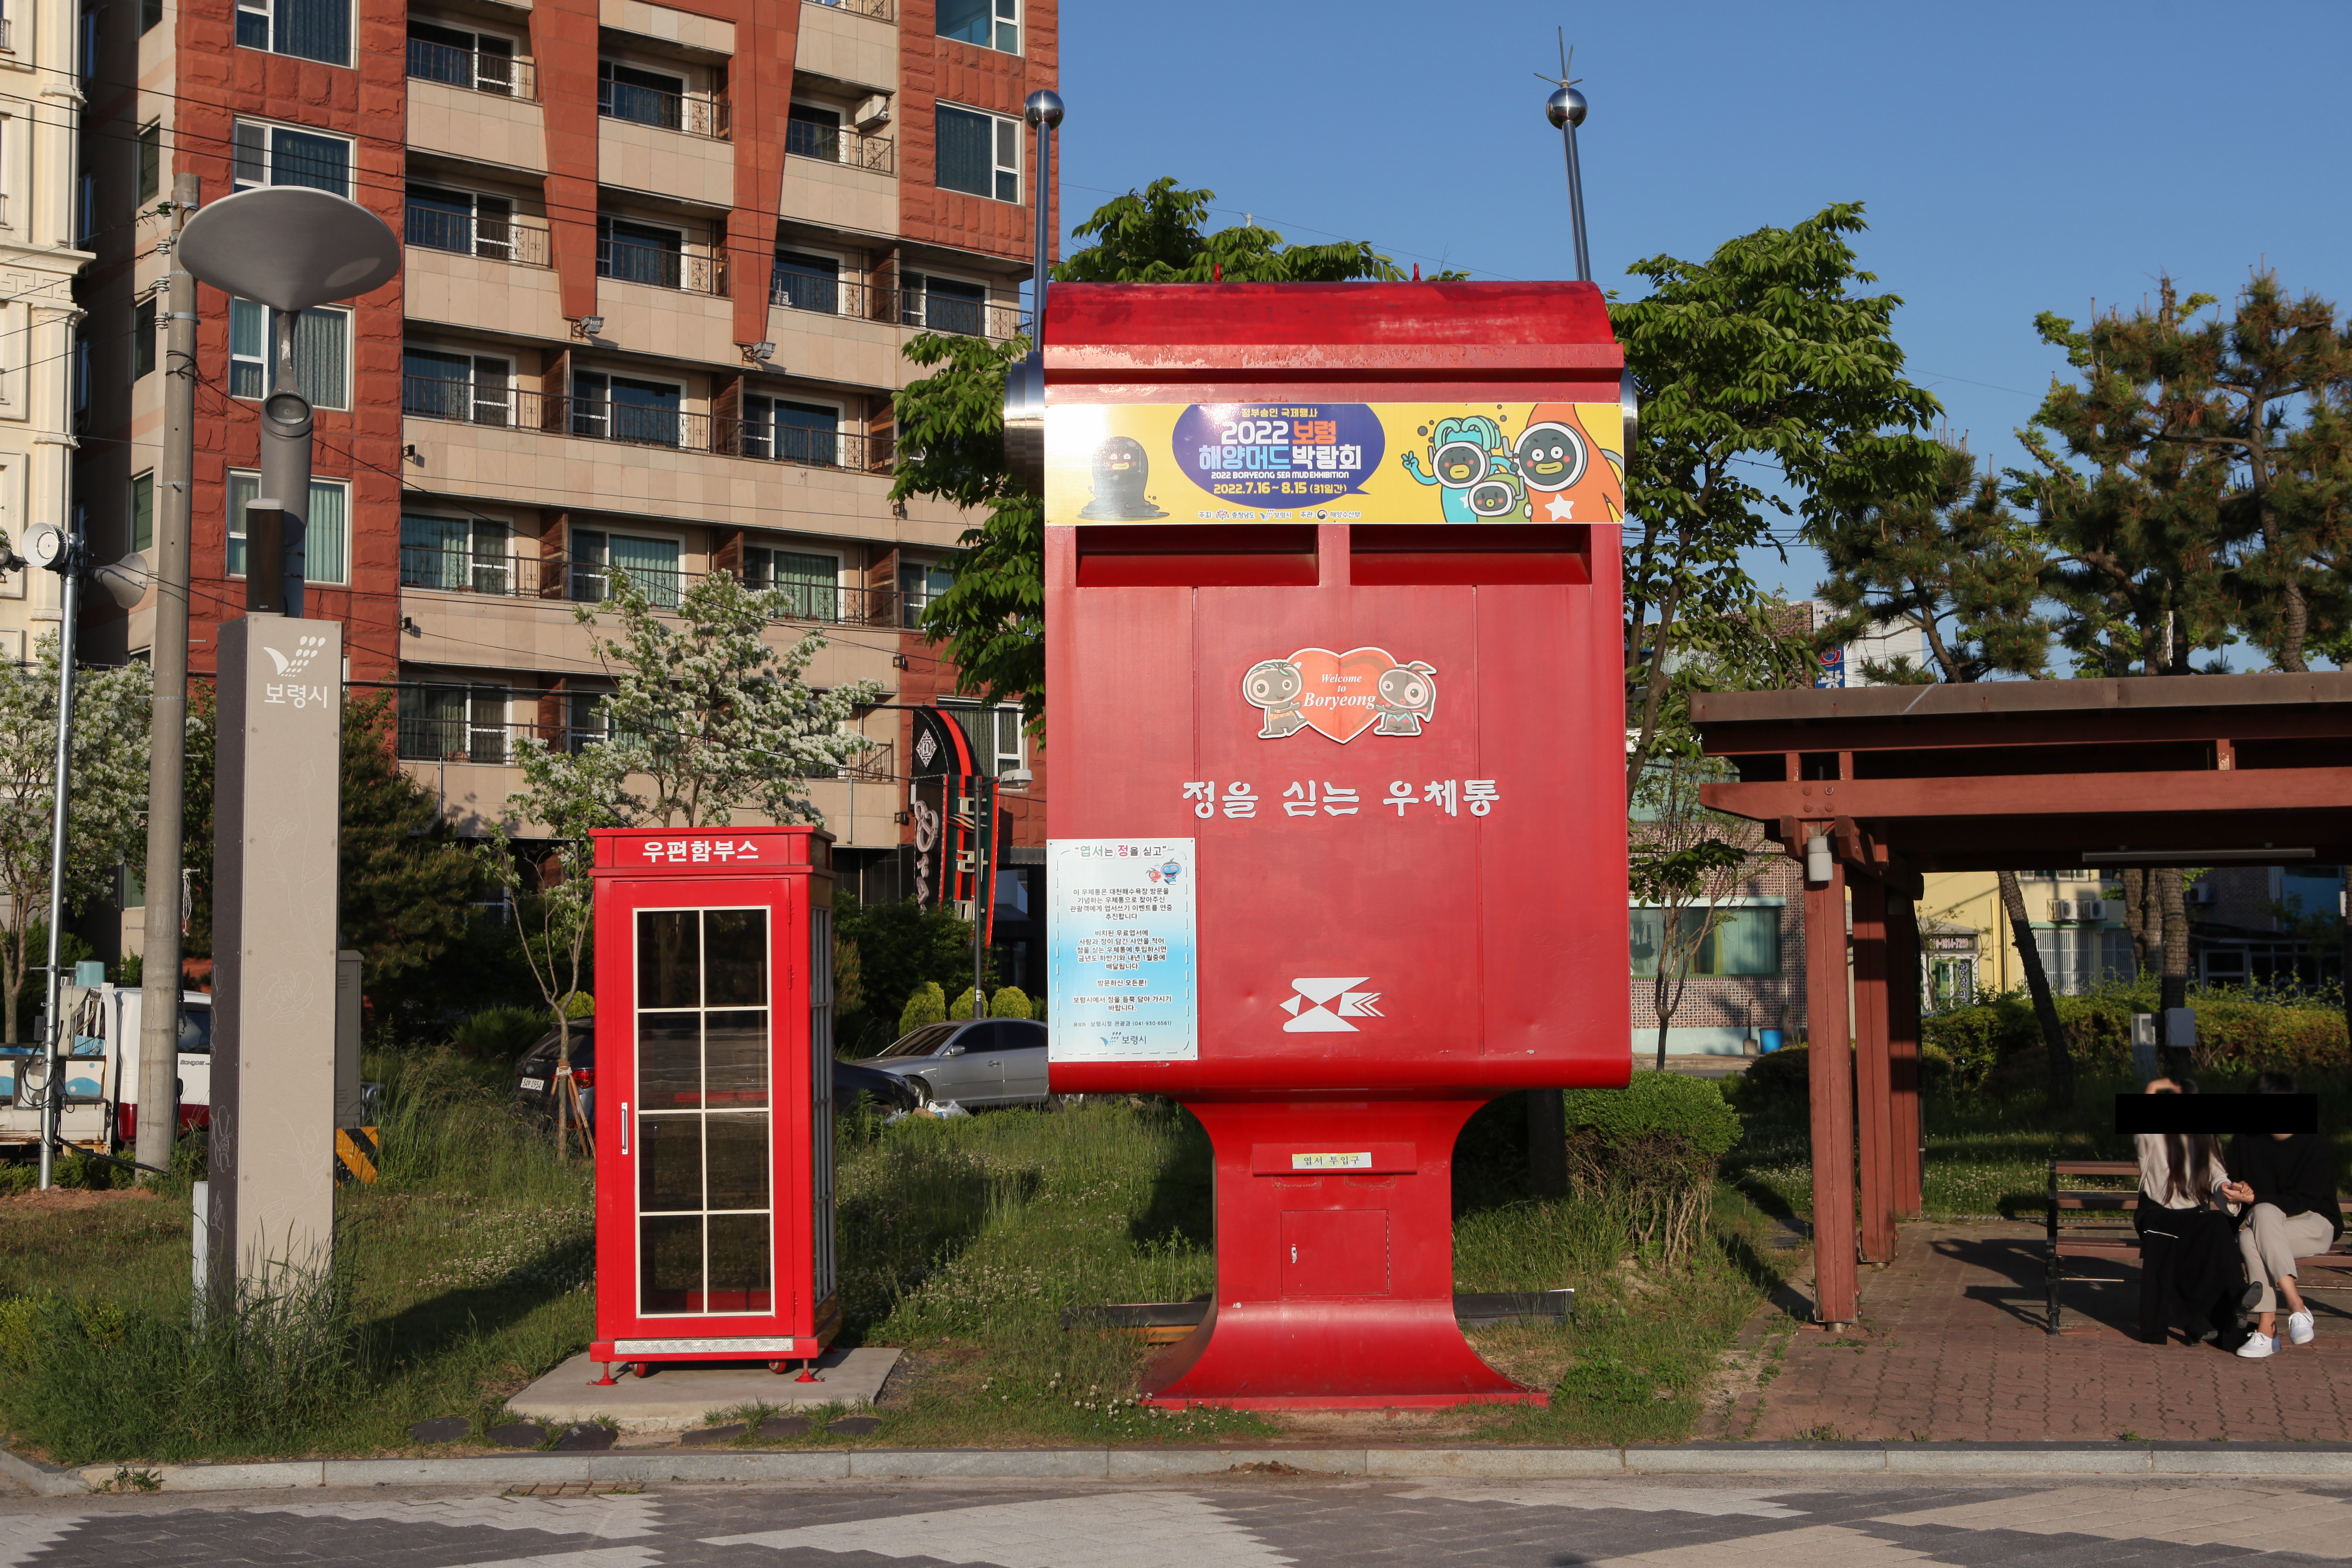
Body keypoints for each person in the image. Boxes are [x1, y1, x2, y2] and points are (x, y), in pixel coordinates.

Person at [2223, 1071, 2344, 1360]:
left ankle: (2268, 1330)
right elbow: (2232, 1182)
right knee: (2253, 1233)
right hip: (2267, 1226)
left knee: (2258, 1224)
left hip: (2313, 1222)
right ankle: (2296, 1306)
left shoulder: (2315, 1142)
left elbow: (2304, 1200)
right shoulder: (2245, 1139)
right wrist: (2238, 1190)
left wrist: (2254, 1199)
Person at [2132, 1077, 2247, 1345]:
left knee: (2216, 1225)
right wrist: (2155, 1086)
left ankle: (2237, 1297)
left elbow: (2217, 1176)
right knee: (2179, 1236)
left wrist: (2227, 1190)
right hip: (2157, 1214)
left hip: (2193, 1218)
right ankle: (2198, 1318)